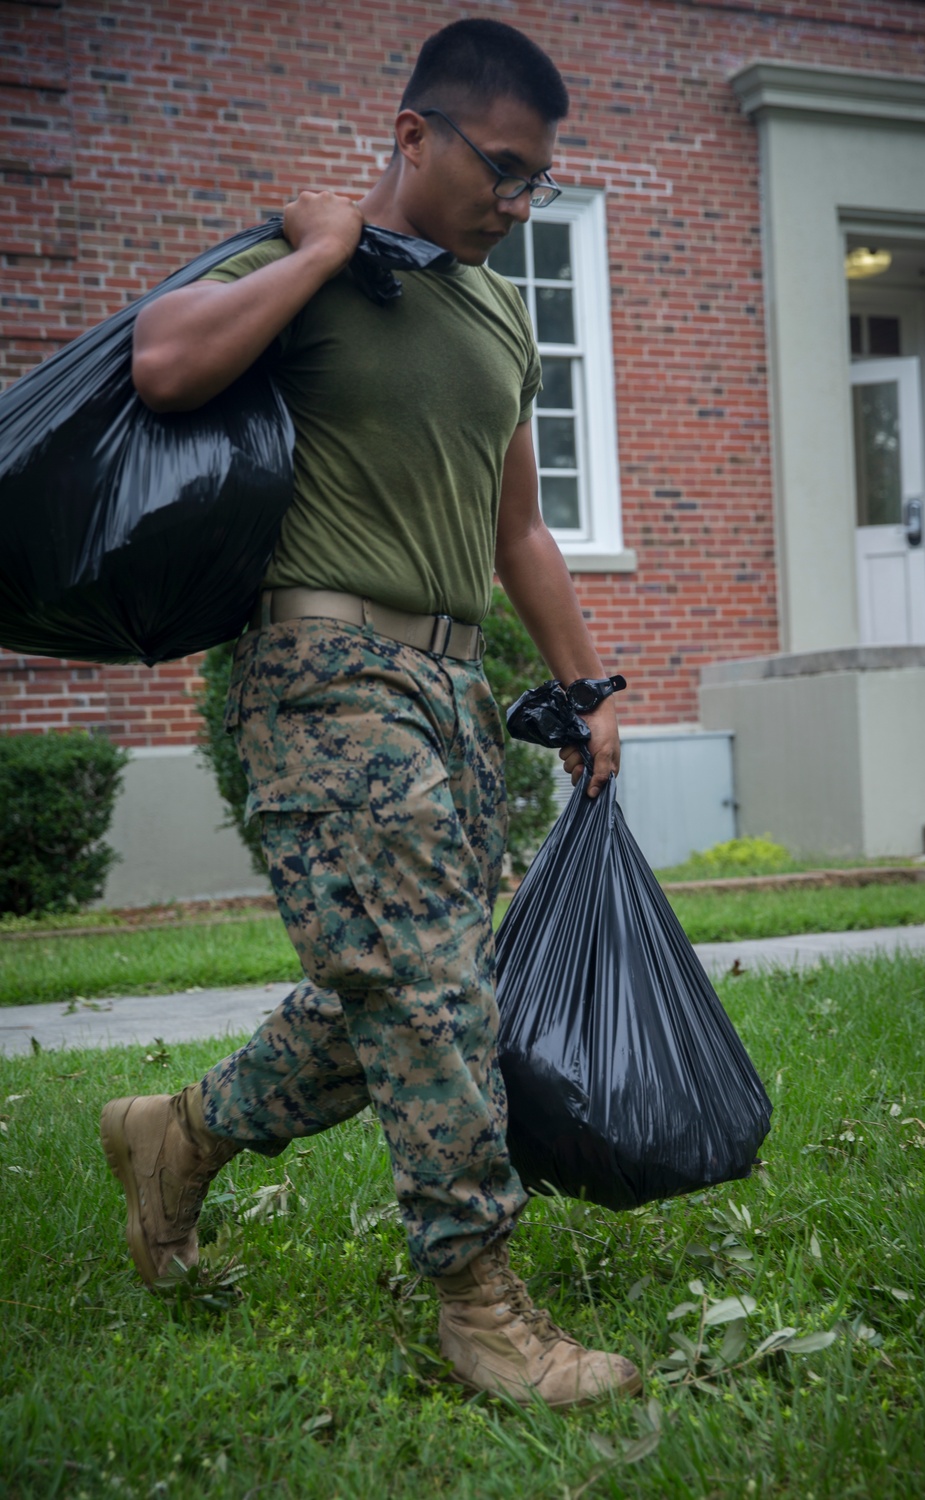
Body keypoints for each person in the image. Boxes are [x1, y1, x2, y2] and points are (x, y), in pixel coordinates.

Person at [100, 18, 639, 1410]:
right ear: (416, 135)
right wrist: (322, 252)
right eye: (503, 171)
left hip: (453, 695)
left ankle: (177, 1137)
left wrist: (583, 693)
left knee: (406, 984)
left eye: (537, 182)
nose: (519, 205)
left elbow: (522, 533)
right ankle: (478, 1299)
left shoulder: (502, 312)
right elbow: (163, 363)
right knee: (430, 984)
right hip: (325, 673)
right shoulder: (318, 263)